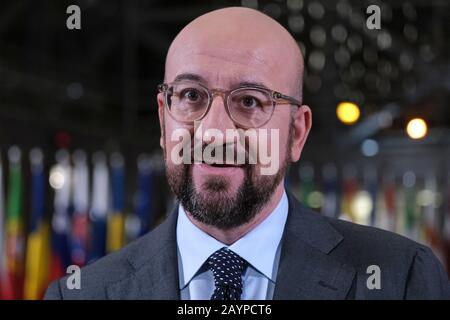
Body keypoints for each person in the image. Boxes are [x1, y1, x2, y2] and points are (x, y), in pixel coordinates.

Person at [45, 7, 450, 300]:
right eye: (190, 95)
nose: (215, 131)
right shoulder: (83, 293)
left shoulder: (400, 279)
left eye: (251, 102)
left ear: (296, 132)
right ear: (163, 119)